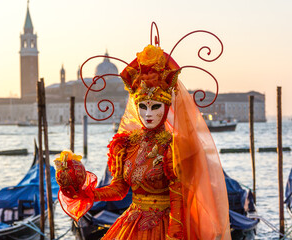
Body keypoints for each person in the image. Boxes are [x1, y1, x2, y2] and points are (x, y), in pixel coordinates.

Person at [56, 44, 231, 239]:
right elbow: (120, 189)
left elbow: (180, 196)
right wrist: (86, 194)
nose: (148, 114)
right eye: (142, 107)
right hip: (131, 223)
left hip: (167, 226)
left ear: (166, 107)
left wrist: (175, 232)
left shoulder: (175, 146)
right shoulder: (127, 144)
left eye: (155, 106)